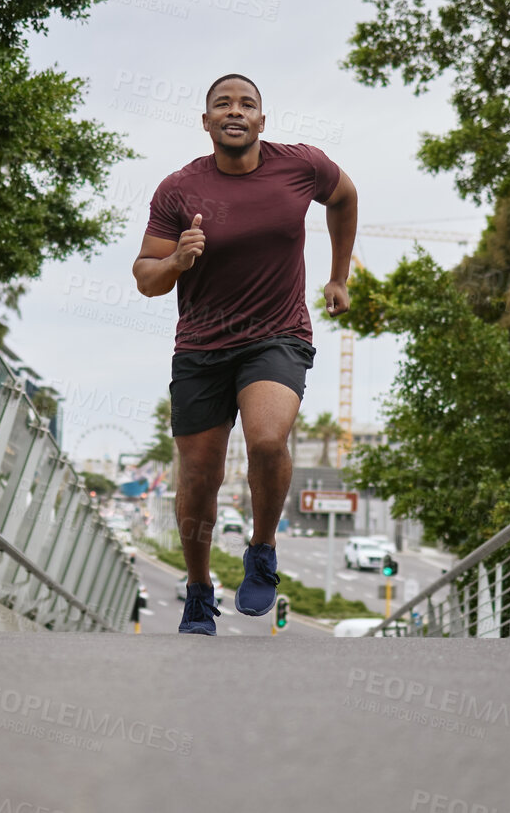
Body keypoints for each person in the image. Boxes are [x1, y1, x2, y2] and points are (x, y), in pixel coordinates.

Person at [132, 74, 358, 635]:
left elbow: (345, 198)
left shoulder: (301, 166)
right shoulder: (178, 190)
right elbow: (145, 278)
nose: (236, 111)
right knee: (199, 479)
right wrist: (177, 263)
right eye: (222, 104)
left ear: (262, 119)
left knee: (265, 440)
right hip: (202, 348)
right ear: (206, 122)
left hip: (277, 336)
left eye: (247, 104)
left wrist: (338, 277)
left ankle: (262, 550)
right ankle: (199, 590)